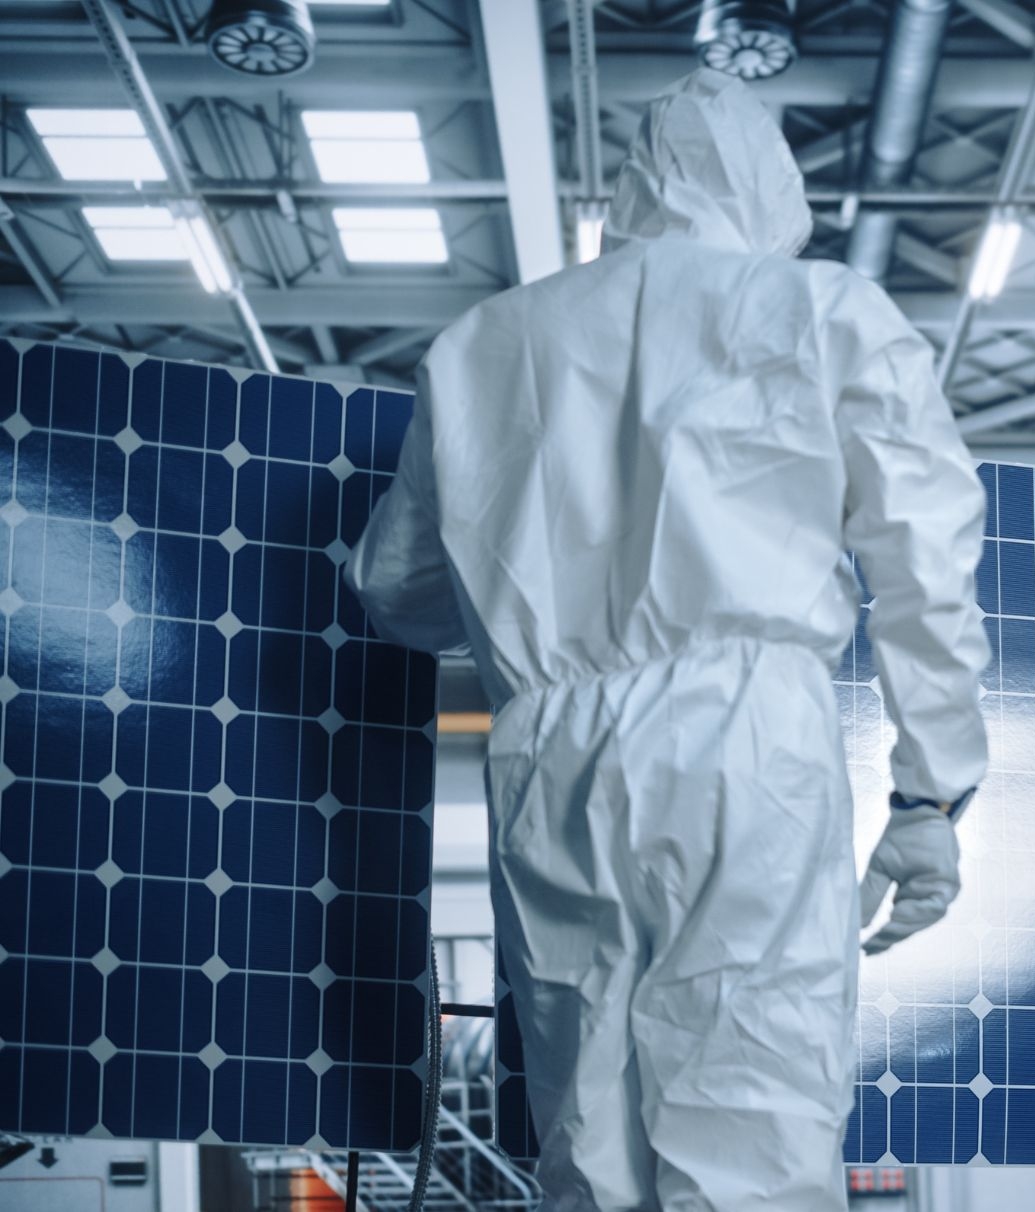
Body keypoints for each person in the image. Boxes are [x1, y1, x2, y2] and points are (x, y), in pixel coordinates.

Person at [346, 69, 989, 1211]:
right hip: (747, 748)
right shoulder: (820, 311)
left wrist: (533, 582)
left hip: (542, 760)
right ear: (769, 193)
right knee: (754, 1133)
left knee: (588, 1146)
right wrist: (931, 794)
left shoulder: (479, 348)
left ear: (631, 196)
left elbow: (393, 593)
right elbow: (924, 556)